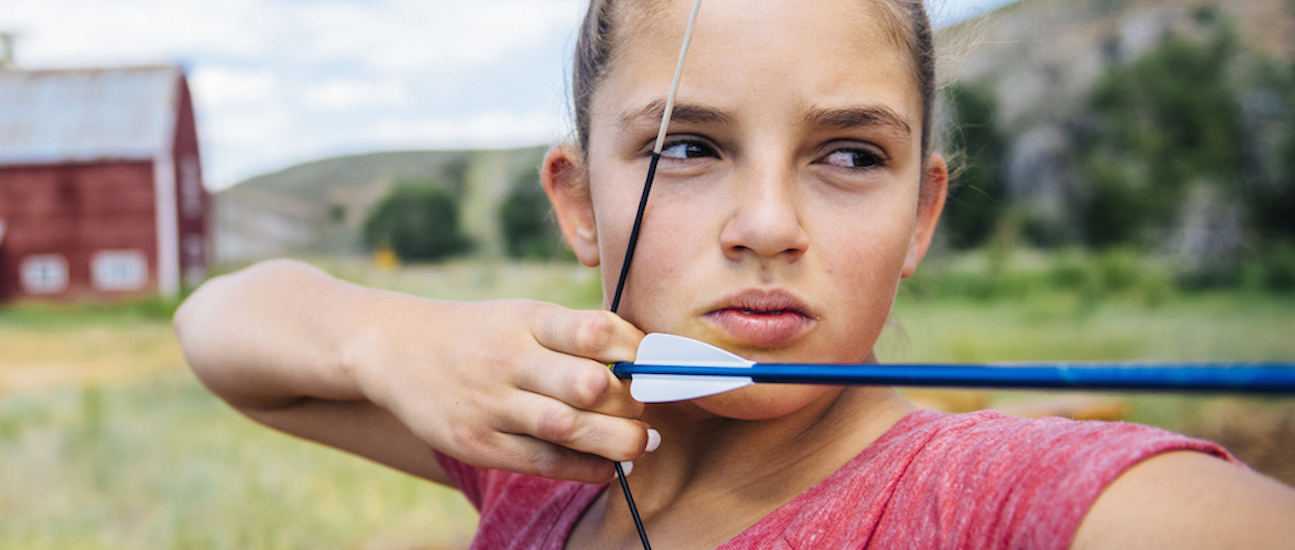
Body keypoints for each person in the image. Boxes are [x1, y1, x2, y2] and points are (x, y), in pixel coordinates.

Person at [173, 0, 1295, 547]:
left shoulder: (984, 498)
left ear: (922, 213)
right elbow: (223, 332)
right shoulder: (548, 454)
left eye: (851, 156)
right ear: (578, 203)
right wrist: (392, 338)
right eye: (687, 149)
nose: (768, 224)